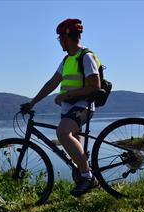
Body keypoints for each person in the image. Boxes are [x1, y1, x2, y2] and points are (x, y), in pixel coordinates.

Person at [21, 18, 101, 197]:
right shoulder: (67, 60)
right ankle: (83, 174)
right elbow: (52, 83)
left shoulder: (85, 56)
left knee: (62, 133)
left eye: (59, 39)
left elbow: (95, 86)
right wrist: (32, 102)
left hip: (83, 106)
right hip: (69, 108)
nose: (59, 43)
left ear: (66, 38)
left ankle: (88, 177)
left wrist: (67, 95)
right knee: (73, 144)